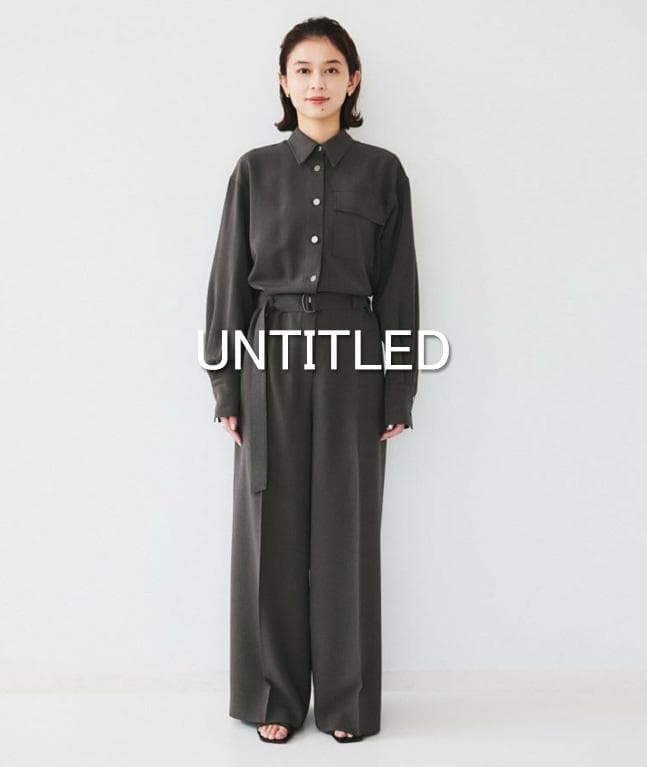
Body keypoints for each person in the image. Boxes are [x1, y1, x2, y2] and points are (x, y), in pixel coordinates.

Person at [203, 16, 419, 744]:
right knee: (270, 531)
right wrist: (225, 386)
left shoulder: (383, 172)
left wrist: (398, 387)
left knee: (345, 532)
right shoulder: (254, 171)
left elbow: (399, 287)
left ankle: (346, 705)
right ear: (283, 81)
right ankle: (274, 695)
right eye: (303, 70)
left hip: (355, 356)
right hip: (270, 359)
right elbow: (228, 284)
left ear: (352, 81)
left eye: (331, 69)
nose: (317, 83)